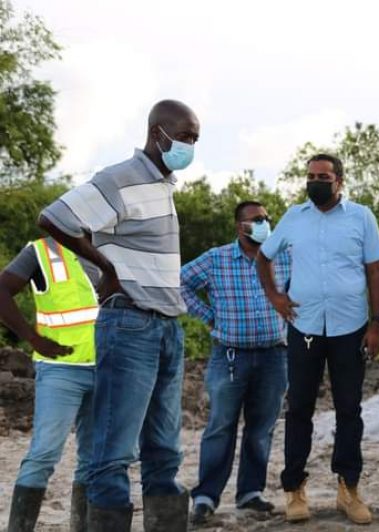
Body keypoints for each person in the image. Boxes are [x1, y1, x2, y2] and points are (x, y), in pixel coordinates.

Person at [38, 100, 200, 531]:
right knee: (114, 455)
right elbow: (54, 218)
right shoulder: (120, 178)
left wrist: (107, 263)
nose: (189, 146)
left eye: (194, 139)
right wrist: (106, 269)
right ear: (157, 134)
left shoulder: (164, 185)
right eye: (184, 137)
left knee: (165, 452)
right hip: (130, 326)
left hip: (167, 327)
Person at [256, 153, 379, 526]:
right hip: (305, 328)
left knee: (349, 410)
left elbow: (375, 271)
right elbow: (263, 258)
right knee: (298, 410)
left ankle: (349, 490)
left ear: (339, 181)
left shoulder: (361, 217)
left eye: (323, 176)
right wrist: (276, 297)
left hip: (351, 328)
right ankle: (295, 490)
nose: (315, 181)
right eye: (310, 175)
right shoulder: (294, 218)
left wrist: (376, 323)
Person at [181, 201, 290, 524]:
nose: (264, 224)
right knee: (220, 426)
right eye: (256, 219)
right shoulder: (216, 259)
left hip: (274, 355)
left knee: (261, 429)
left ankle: (250, 493)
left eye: (267, 218)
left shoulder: (282, 255)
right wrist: (209, 317)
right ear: (239, 226)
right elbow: (180, 282)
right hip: (229, 356)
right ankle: (205, 497)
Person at [0, 238, 99, 532]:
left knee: (93, 459)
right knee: (43, 454)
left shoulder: (111, 244)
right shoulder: (41, 251)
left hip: (107, 368)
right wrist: (31, 337)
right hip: (60, 371)